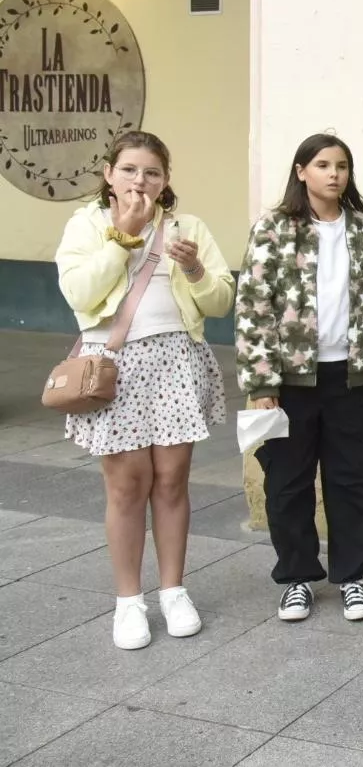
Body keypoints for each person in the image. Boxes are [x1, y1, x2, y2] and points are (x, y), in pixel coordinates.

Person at [55, 130, 234, 650]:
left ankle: (174, 591)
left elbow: (221, 300)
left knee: (173, 479)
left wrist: (196, 268)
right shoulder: (86, 224)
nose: (140, 181)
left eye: (152, 172)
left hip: (176, 357)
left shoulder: (186, 225)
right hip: (113, 365)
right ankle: (129, 601)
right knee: (127, 485)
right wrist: (121, 236)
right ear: (110, 174)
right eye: (130, 170)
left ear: (166, 180)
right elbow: (78, 294)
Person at [235, 133, 363, 624]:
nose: (334, 174)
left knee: (352, 480)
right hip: (289, 383)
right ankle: (298, 579)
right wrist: (262, 383)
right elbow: (253, 306)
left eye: (342, 165)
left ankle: (351, 577)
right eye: (323, 164)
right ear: (301, 170)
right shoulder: (274, 229)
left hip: (347, 377)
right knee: (287, 483)